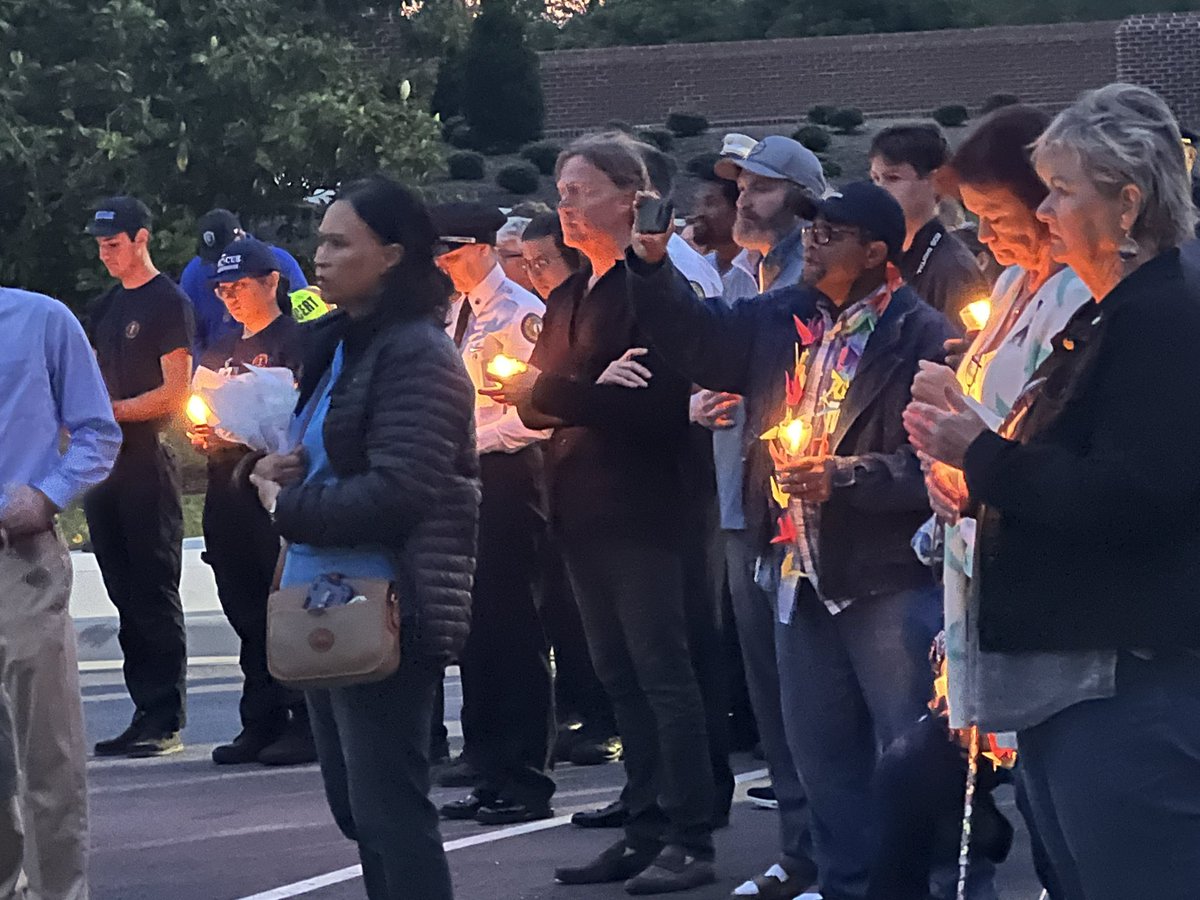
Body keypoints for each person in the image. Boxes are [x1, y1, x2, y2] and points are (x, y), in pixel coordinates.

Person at [904, 83, 1200, 900]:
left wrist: (983, 455)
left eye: (1063, 191)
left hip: (1126, 669)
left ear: (1129, 202)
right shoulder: (1118, 311)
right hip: (1075, 663)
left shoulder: (1163, 316)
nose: (1045, 213)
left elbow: (1138, 496)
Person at [625, 181, 953, 900]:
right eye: (810, 229)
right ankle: (843, 883)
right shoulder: (783, 313)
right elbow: (700, 339)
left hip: (883, 575)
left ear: (874, 252)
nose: (811, 240)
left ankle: (931, 885)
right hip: (798, 568)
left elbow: (931, 465)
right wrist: (649, 264)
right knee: (822, 756)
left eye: (830, 233)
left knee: (909, 751)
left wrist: (850, 477)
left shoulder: (919, 333)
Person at [484, 134, 717, 895]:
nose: (566, 201)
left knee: (663, 673)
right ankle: (642, 823)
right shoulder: (570, 294)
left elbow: (659, 404)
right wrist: (584, 388)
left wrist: (568, 392)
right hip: (578, 506)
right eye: (561, 186)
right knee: (616, 674)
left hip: (647, 507)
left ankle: (691, 832)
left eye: (582, 187)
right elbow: (531, 397)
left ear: (631, 196)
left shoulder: (652, 288)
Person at [871, 104, 1093, 900]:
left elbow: (1041, 433)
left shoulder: (1083, 299)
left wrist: (967, 432)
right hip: (968, 573)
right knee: (934, 787)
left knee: (1051, 809)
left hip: (1033, 583)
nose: (990, 236)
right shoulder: (1008, 287)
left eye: (999, 216)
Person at [249, 176, 479, 900]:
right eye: (319, 240)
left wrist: (288, 505)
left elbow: (400, 490)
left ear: (391, 255)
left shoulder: (416, 354)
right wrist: (265, 473)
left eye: (338, 242)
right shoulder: (342, 343)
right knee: (358, 808)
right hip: (322, 595)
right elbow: (305, 460)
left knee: (390, 808)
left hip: (385, 600)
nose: (318, 257)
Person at [709, 136, 828, 900]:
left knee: (814, 695)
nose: (744, 201)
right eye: (740, 188)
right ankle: (797, 849)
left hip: (799, 508)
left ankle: (839, 852)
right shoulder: (732, 275)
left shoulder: (813, 278)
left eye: (760, 187)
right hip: (733, 502)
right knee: (769, 694)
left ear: (802, 197)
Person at [430, 202, 556, 826]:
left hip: (507, 474)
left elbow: (534, 416)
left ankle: (525, 773)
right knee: (474, 630)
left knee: (512, 628)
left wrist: (474, 442)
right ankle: (486, 764)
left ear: (482, 247)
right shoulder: (456, 314)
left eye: (453, 253)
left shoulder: (521, 313)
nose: (444, 265)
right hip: (465, 477)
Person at [0, 285, 121, 900]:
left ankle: (59, 894)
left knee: (44, 751)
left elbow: (99, 432)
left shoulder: (39, 320)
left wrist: (46, 494)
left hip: (14, 556)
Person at [190, 238, 316, 767]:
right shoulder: (221, 349)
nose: (230, 297)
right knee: (242, 605)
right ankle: (260, 717)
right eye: (222, 288)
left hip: (273, 484)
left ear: (272, 282)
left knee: (281, 601)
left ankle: (302, 718)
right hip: (227, 486)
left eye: (240, 285)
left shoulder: (298, 340)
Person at [85, 196, 195, 758]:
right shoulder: (106, 306)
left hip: (146, 455)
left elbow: (175, 390)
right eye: (100, 245)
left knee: (152, 586)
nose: (106, 254)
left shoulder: (166, 303)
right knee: (121, 588)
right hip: (105, 462)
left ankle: (165, 715)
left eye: (114, 244)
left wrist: (113, 410)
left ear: (141, 239)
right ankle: (141, 708)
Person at [869, 124, 989, 322]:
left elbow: (966, 348)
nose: (879, 190)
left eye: (893, 178)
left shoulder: (953, 270)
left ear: (936, 181)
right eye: (875, 179)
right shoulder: (882, 257)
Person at [179, 208, 308, 360]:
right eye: (215, 259)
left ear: (241, 235)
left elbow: (303, 317)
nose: (222, 263)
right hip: (220, 368)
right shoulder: (193, 273)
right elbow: (189, 334)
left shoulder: (278, 261)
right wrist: (212, 365)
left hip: (278, 360)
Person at [521, 212, 584, 302]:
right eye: (528, 264)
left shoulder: (599, 304)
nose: (534, 274)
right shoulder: (530, 307)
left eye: (542, 263)